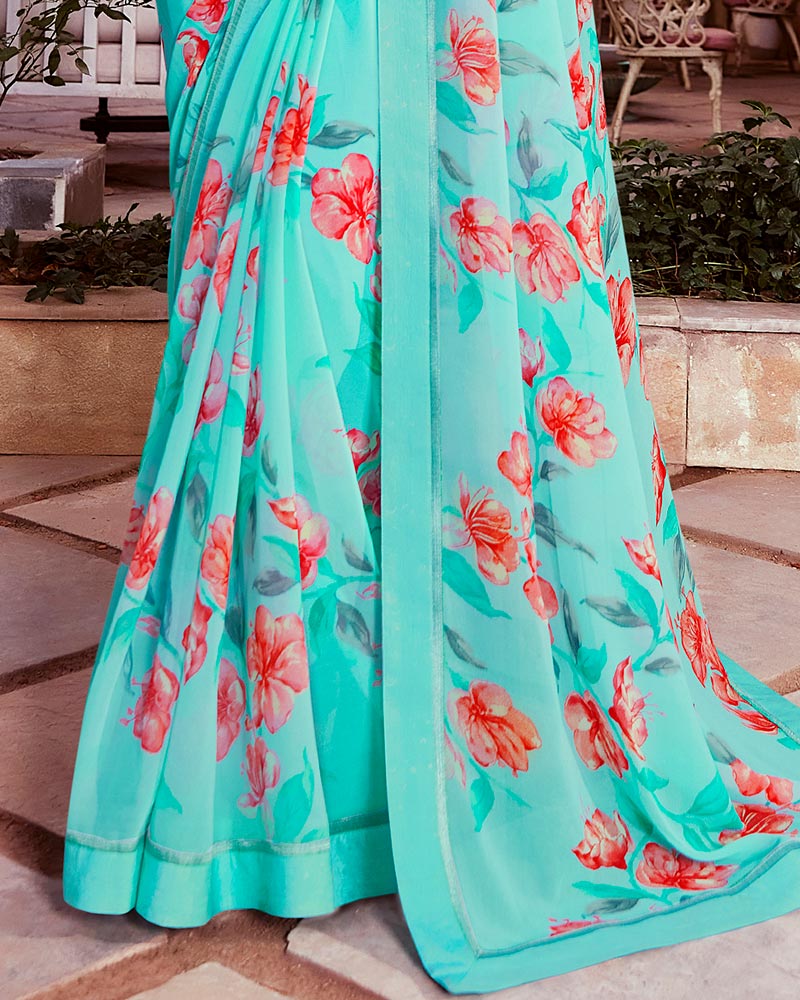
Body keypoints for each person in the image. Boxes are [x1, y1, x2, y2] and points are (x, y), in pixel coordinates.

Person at [62, 0, 800, 993]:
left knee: (479, 341)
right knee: (287, 312)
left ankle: (403, 762)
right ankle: (299, 799)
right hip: (316, 32)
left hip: (482, 37)